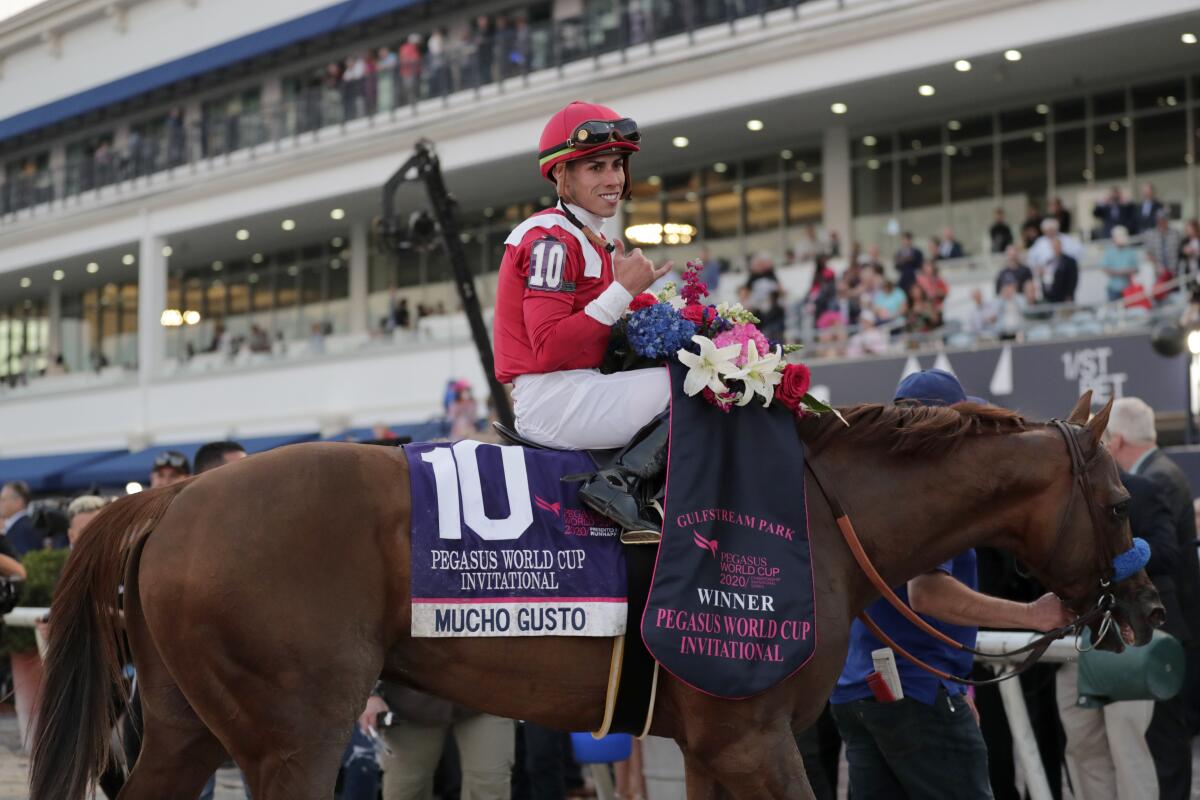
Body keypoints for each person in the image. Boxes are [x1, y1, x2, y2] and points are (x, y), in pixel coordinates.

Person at [829, 369, 1074, 800]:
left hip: (858, 690)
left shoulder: (874, 482)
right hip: (916, 691)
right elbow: (927, 593)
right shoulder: (928, 489)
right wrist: (1032, 615)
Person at [491, 101, 671, 540]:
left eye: (617, 165)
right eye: (595, 167)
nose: (613, 179)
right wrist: (622, 291)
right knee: (696, 388)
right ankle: (619, 486)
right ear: (560, 175)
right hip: (552, 398)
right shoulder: (550, 239)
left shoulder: (592, 237)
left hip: (579, 388)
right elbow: (549, 346)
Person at [1103, 397, 1200, 800]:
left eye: (1105, 440)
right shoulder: (1164, 471)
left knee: (1164, 743)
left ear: (1119, 439)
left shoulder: (1155, 478)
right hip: (1172, 627)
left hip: (1165, 629)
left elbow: (1169, 555)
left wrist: (1113, 562)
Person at [1055, 463, 1167, 800]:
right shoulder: (1056, 503)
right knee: (1081, 746)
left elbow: (1170, 555)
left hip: (1128, 639)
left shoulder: (1140, 489)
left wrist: (1113, 564)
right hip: (1074, 643)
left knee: (1127, 747)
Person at [359, 683, 514, 800]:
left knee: (490, 784)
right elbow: (362, 642)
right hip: (408, 700)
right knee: (406, 789)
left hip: (485, 695)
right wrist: (369, 692)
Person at [1101, 225, 1139, 302]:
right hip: (1113, 288)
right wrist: (1118, 272)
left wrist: (1123, 271)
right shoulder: (1109, 251)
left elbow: (1136, 269)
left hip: (1128, 288)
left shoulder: (1130, 251)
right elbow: (1105, 268)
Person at [0, 480, 39, 555]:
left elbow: (23, 560)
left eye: (3, 499)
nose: (0, 503)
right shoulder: (20, 525)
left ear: (19, 501)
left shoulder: (24, 528)